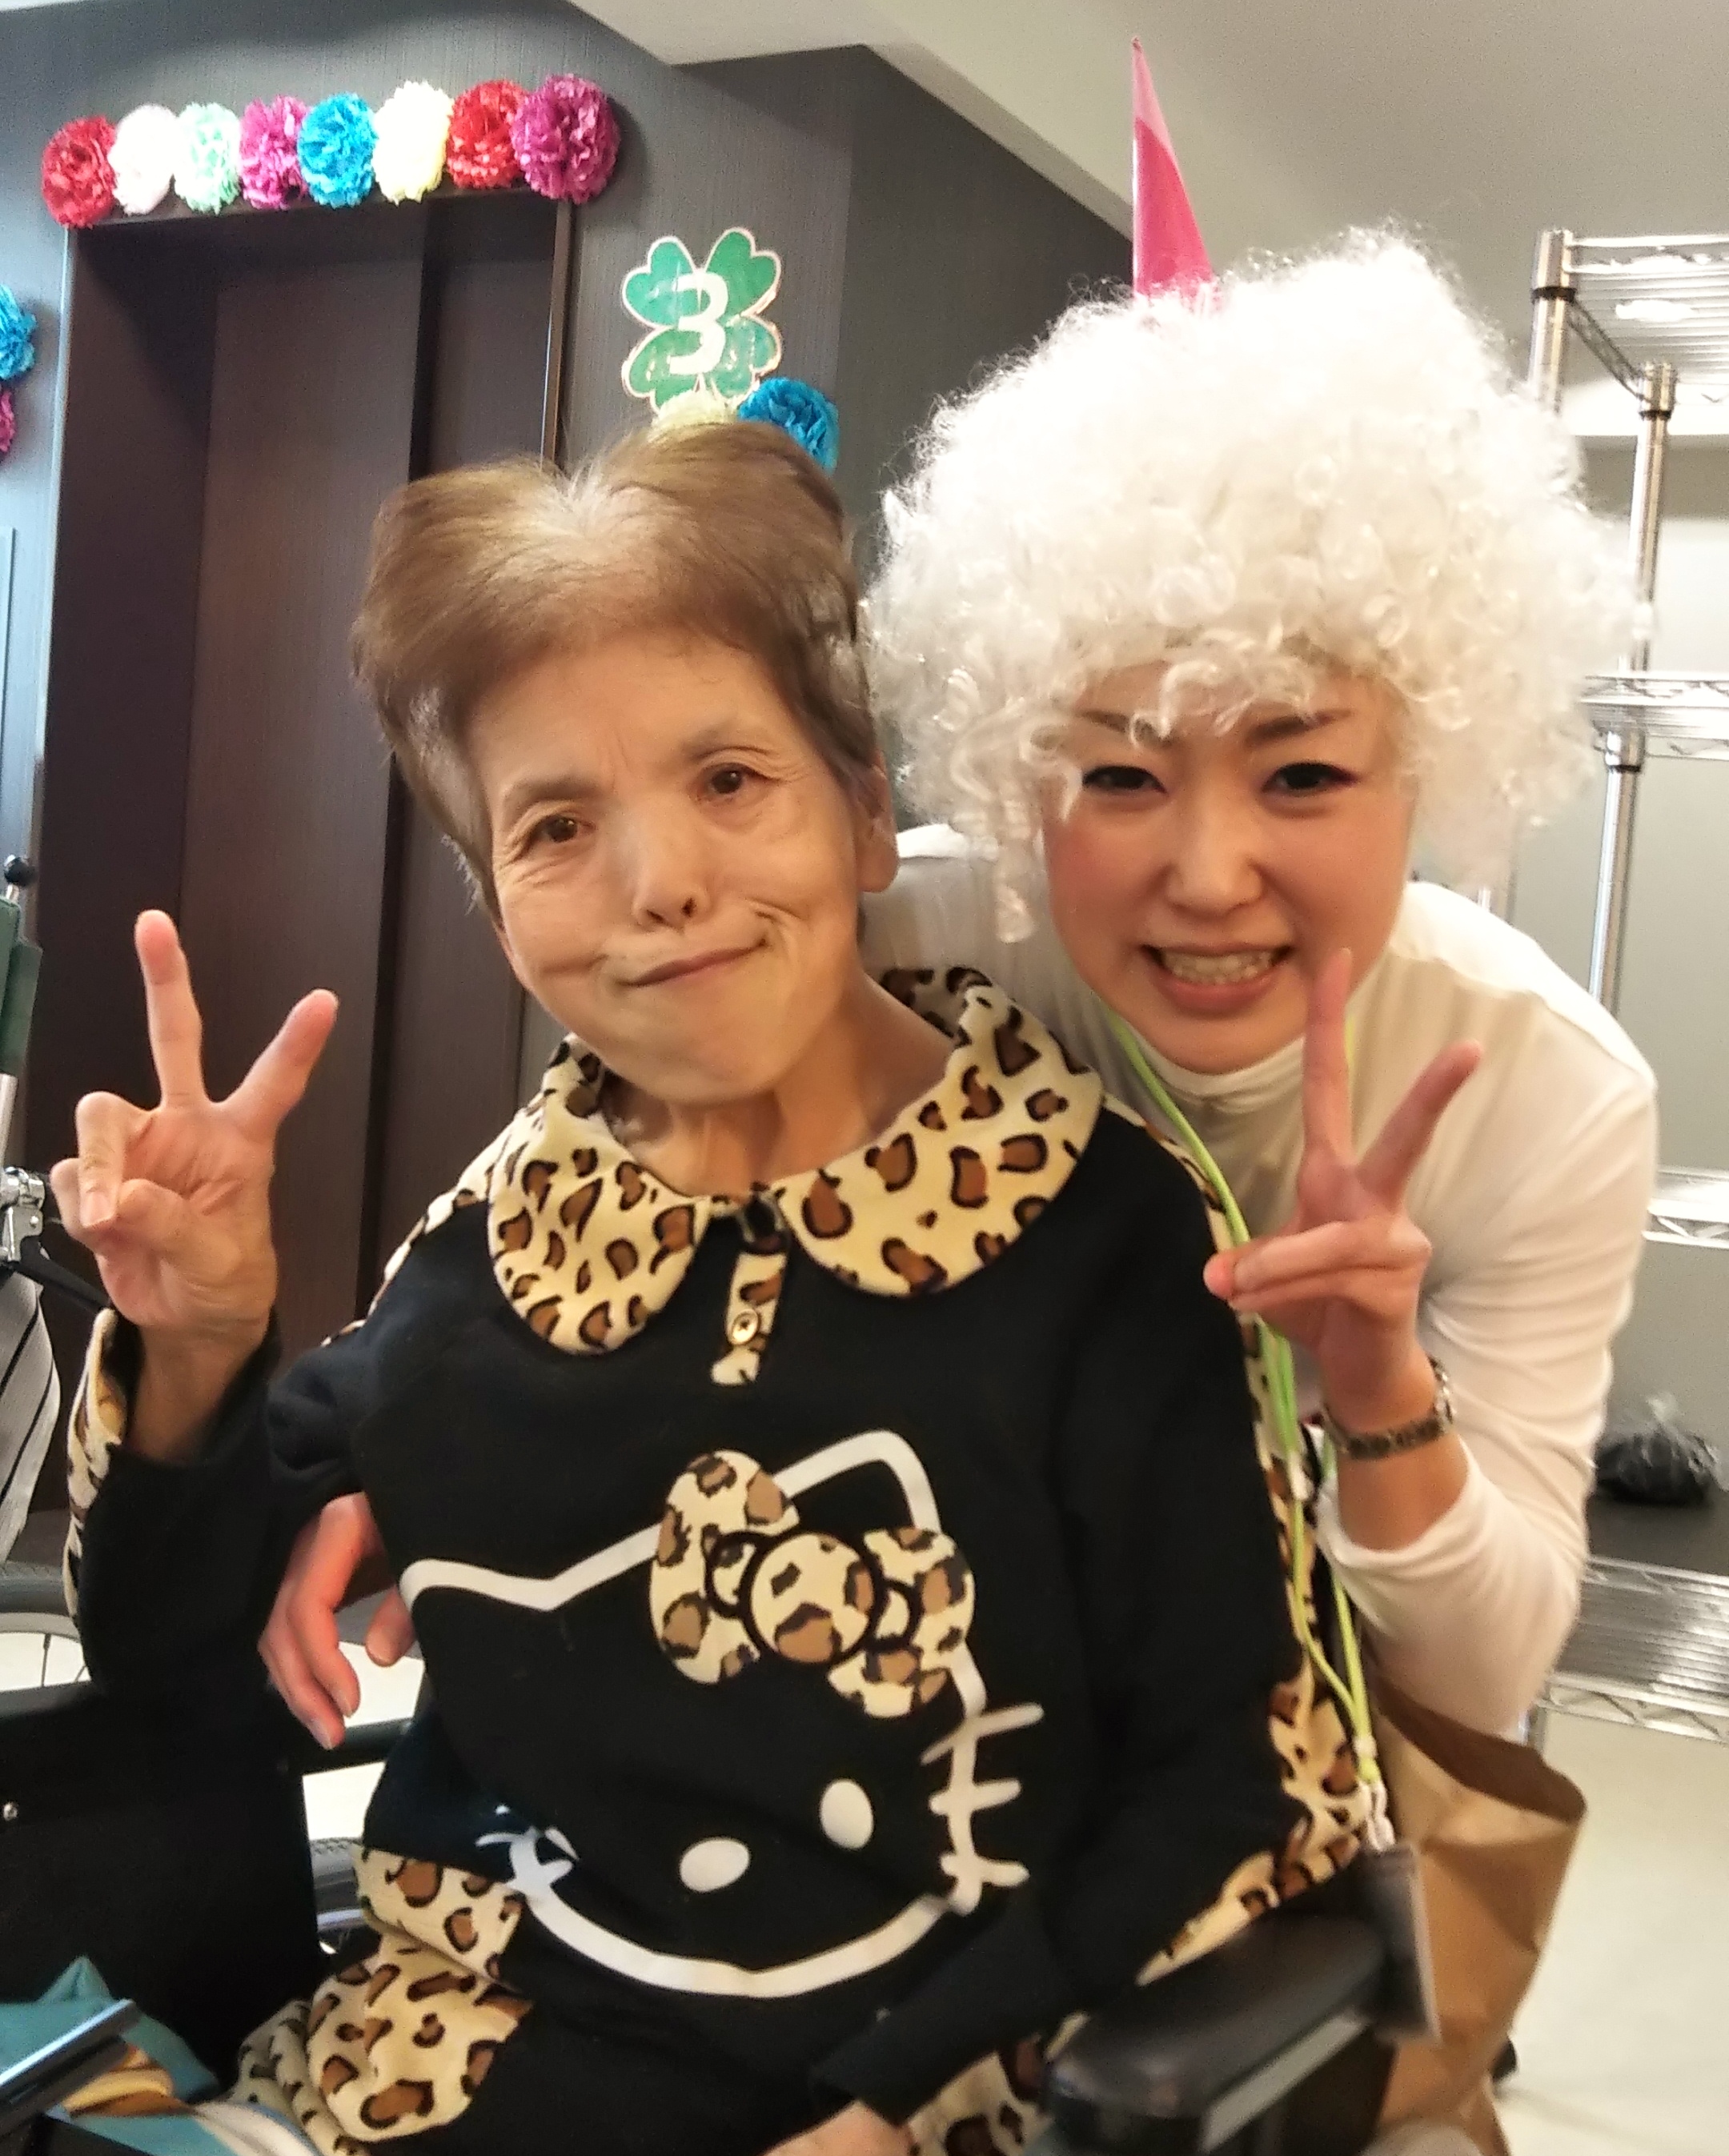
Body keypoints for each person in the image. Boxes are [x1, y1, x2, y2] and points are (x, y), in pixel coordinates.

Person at [54, 423, 1311, 2156]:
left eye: (729, 778)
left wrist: (865, 2141)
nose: (660, 883)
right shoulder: (499, 1247)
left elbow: (1229, 1788)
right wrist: (200, 1340)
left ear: (863, 811)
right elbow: (166, 1668)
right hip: (414, 2102)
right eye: (557, 826)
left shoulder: (1096, 1237)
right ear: (498, 907)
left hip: (929, 2124)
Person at [268, 237, 1654, 1745]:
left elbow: (1482, 1681)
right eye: (1119, 775)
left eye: (1303, 774)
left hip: (1289, 1782)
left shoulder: (1541, 1091)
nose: (1209, 875)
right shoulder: (903, 939)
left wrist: (1381, 1387)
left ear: (1428, 763)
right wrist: (420, 1447)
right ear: (1020, 769)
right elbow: (580, 1182)